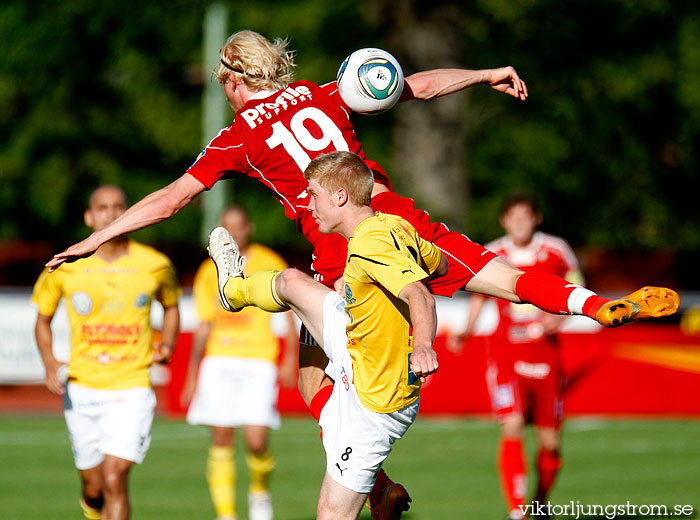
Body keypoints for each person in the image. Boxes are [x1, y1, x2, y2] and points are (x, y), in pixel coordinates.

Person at [45, 30, 679, 518]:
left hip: (342, 255)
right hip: (399, 219)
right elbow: (417, 86)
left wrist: (96, 237)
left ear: (234, 82)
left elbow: (172, 198)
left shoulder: (236, 137)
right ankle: (591, 303)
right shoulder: (327, 91)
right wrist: (486, 72)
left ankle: (369, 484)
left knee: (311, 375)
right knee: (500, 274)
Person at [207, 151, 446, 520]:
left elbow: (419, 292)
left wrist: (425, 345)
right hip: (356, 339)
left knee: (331, 516)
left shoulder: (373, 242)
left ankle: (377, 489)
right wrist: (361, 286)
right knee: (291, 283)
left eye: (314, 194)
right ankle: (234, 291)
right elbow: (439, 263)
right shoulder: (391, 228)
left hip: (373, 403)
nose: (308, 203)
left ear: (340, 197)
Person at [32, 185, 181, 520]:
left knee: (115, 476)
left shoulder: (155, 264)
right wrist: (49, 362)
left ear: (128, 214)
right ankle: (91, 504)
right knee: (95, 486)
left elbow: (171, 308)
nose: (110, 214)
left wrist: (168, 343)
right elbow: (42, 319)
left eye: (118, 207)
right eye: (102, 207)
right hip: (82, 386)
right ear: (89, 216)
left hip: (132, 384)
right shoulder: (67, 264)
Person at [449, 192, 582, 519]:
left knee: (550, 442)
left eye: (526, 217)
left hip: (546, 356)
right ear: (504, 221)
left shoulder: (556, 249)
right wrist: (466, 329)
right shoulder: (494, 252)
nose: (520, 223)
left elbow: (577, 285)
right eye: (513, 218)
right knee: (512, 425)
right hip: (506, 352)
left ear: (536, 218)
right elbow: (480, 292)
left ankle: (539, 503)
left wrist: (561, 317)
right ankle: (516, 511)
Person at [180, 205, 297, 520]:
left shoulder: (270, 261)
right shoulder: (208, 271)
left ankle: (259, 491)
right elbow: (204, 324)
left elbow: (289, 314)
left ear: (250, 227)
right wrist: (192, 374)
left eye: (238, 226)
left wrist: (290, 357)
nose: (233, 233)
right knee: (221, 436)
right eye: (226, 227)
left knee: (257, 440)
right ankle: (226, 513)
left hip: (258, 360)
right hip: (219, 361)